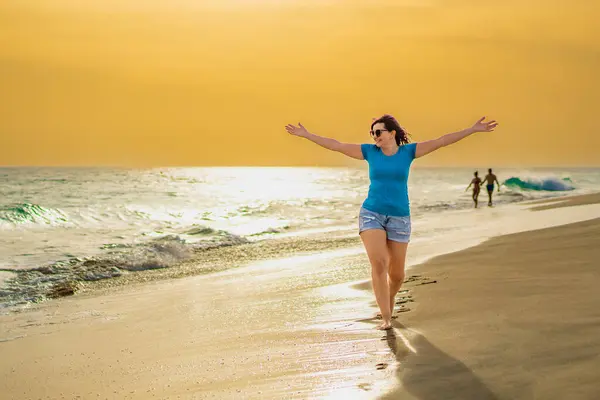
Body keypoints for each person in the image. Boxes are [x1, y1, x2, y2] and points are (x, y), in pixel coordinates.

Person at [285, 115, 498, 330]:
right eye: (372, 133)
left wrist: (472, 130)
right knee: (379, 263)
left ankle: (388, 297)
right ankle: (386, 317)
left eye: (378, 132)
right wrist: (307, 135)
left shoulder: (408, 152)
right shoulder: (369, 152)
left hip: (400, 218)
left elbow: (442, 140)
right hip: (372, 214)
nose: (375, 136)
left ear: (392, 133)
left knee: (397, 276)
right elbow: (337, 145)